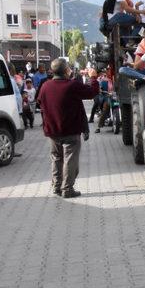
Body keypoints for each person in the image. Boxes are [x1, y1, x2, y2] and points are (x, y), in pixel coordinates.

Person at [37, 58, 99, 198]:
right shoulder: (72, 85)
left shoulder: (45, 86)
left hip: (52, 131)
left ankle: (56, 186)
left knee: (56, 158)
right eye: (69, 68)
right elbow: (92, 92)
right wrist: (93, 77)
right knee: (70, 159)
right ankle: (67, 189)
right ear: (66, 71)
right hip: (70, 130)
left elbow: (39, 102)